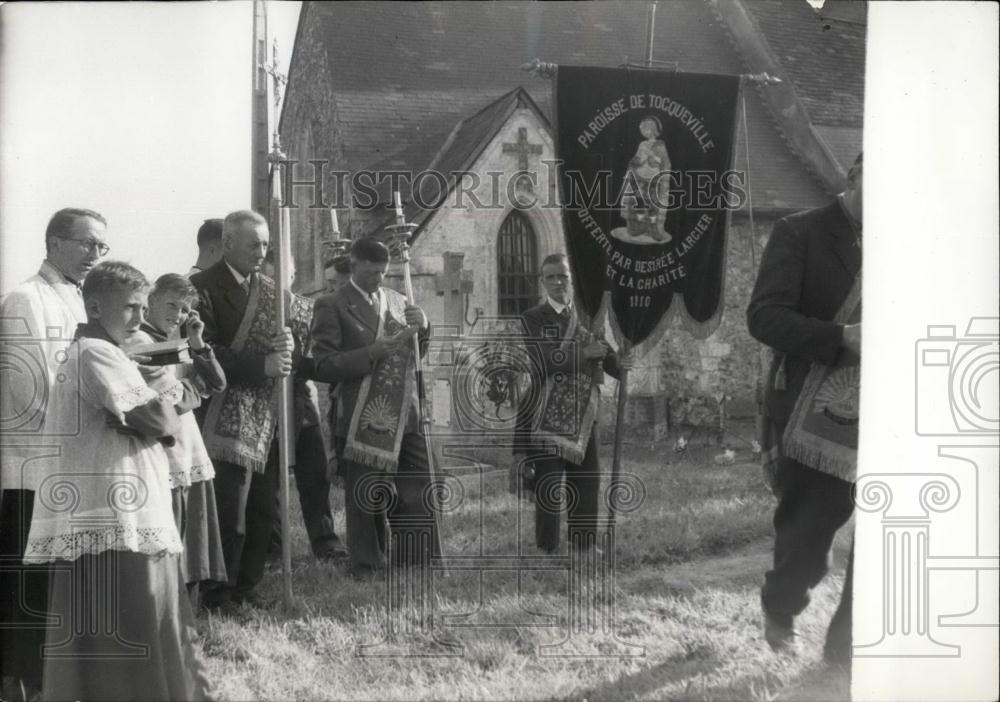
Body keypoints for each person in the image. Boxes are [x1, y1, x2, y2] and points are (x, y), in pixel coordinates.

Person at [23, 261, 211, 701]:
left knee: (122, 623)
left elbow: (151, 418)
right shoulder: (96, 351)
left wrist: (161, 410)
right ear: (93, 305)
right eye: (129, 307)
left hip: (114, 505)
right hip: (114, 512)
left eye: (142, 307)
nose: (138, 318)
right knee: (135, 620)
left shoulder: (100, 350)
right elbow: (158, 417)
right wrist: (175, 402)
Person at [747, 152, 863, 664]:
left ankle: (849, 644)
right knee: (811, 533)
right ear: (856, 177)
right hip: (812, 410)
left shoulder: (916, 241)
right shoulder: (801, 232)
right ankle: (781, 609)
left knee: (885, 531)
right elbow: (765, 318)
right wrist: (842, 337)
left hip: (894, 404)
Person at [0, 207, 107, 696]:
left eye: (101, 247)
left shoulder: (83, 299)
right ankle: (24, 683)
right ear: (55, 242)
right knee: (30, 590)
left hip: (72, 466)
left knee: (60, 587)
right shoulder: (26, 298)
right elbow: (33, 389)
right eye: (87, 244)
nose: (95, 255)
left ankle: (55, 680)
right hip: (32, 467)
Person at [310, 237, 440, 577]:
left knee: (417, 483)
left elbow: (415, 353)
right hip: (361, 414)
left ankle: (414, 557)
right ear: (353, 266)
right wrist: (370, 354)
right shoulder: (331, 305)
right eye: (370, 273)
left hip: (405, 411)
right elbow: (323, 365)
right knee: (365, 494)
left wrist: (424, 327)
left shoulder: (398, 300)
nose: (377, 280)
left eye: (382, 273)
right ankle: (366, 564)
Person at [190, 210, 297, 610]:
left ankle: (246, 588)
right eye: (253, 244)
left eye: (266, 244)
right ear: (228, 242)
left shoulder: (272, 292)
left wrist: (286, 349)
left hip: (264, 415)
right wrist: (260, 364)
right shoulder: (199, 287)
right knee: (228, 512)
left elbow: (287, 354)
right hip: (220, 414)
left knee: (261, 509)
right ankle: (218, 594)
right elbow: (203, 351)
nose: (261, 252)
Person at [135, 273, 228, 610]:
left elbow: (217, 383)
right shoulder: (141, 341)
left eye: (184, 308)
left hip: (189, 447)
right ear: (152, 299)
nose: (176, 313)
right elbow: (174, 398)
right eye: (171, 304)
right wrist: (195, 390)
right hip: (163, 450)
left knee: (191, 535)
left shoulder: (178, 344)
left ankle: (189, 612)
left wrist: (197, 340)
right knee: (172, 530)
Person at [518, 253, 622, 554]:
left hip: (585, 414)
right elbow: (543, 361)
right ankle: (547, 547)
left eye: (562, 275)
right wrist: (584, 354)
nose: (557, 281)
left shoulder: (589, 317)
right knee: (549, 485)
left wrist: (622, 362)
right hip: (547, 415)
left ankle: (584, 543)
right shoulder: (533, 318)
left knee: (587, 481)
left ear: (570, 279)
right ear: (542, 281)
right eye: (550, 276)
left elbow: (608, 356)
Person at [260, 251, 348, 563]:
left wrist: (304, 363)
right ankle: (273, 547)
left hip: (300, 398)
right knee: (270, 478)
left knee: (315, 472)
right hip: (264, 402)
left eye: (283, 276)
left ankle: (325, 540)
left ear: (293, 275)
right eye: (270, 277)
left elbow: (318, 358)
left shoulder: (308, 309)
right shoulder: (255, 308)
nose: (276, 284)